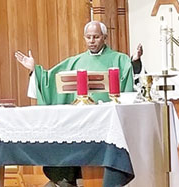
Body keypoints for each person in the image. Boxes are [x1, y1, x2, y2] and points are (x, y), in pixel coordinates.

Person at [15, 21, 134, 186]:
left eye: (96, 37)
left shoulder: (120, 60)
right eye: (88, 37)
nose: (92, 40)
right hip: (82, 122)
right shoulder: (75, 62)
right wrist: (34, 69)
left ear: (104, 38)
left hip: (107, 123)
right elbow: (49, 80)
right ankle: (65, 181)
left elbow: (128, 92)